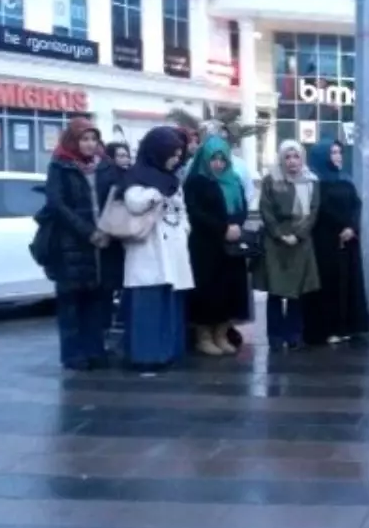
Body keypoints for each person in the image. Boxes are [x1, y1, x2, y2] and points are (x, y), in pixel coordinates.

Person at [43, 118, 124, 371]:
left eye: (93, 139)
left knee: (97, 300)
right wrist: (88, 232)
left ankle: (95, 349)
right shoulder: (60, 165)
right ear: (73, 140)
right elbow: (58, 204)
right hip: (72, 245)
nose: (89, 145)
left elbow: (116, 197)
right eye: (84, 139)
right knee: (71, 302)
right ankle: (73, 354)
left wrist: (109, 229)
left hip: (103, 243)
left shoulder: (105, 166)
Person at [118, 127, 193, 373]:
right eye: (172, 153)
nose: (176, 158)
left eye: (179, 153)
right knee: (148, 305)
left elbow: (182, 210)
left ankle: (169, 351)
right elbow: (134, 202)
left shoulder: (173, 179)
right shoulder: (136, 176)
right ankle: (147, 355)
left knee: (170, 302)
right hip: (148, 250)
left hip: (173, 248)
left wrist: (184, 229)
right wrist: (154, 194)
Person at [182, 135, 250, 356]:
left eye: (222, 159)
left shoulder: (234, 180)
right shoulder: (196, 182)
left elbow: (243, 206)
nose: (218, 164)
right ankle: (204, 336)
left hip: (231, 248)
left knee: (230, 290)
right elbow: (195, 212)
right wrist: (223, 228)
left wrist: (237, 225)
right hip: (205, 247)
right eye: (214, 159)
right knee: (208, 291)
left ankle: (221, 333)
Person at [301, 140, 369, 346]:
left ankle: (347, 325)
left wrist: (352, 227)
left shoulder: (345, 180)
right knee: (328, 284)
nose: (338, 156)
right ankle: (327, 328)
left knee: (348, 282)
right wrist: (342, 226)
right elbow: (319, 209)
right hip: (325, 241)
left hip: (348, 240)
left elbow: (356, 205)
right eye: (333, 152)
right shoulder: (313, 182)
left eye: (339, 152)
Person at [254, 140, 320, 351]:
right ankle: (274, 336)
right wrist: (279, 234)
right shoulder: (271, 180)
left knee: (296, 293)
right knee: (275, 291)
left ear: (302, 159)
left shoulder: (311, 181)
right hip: (275, 243)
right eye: (288, 157)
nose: (292, 162)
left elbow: (314, 210)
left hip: (300, 243)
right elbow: (265, 209)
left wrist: (298, 235)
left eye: (296, 157)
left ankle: (293, 334)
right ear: (281, 159)